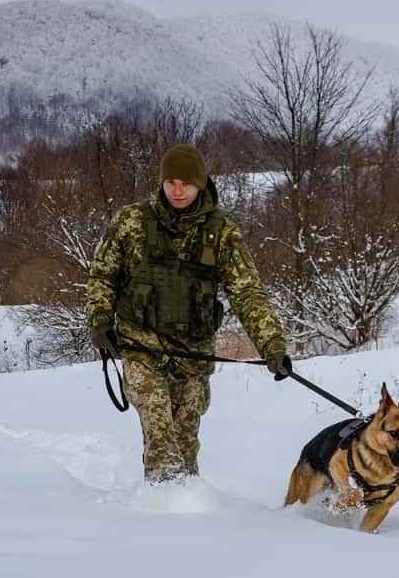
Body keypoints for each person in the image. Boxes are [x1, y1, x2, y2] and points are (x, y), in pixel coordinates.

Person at [86, 144, 291, 483]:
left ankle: (188, 514)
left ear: (200, 184)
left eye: (186, 183)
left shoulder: (222, 232)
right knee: (159, 432)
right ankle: (165, 506)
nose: (177, 191)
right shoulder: (131, 220)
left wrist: (273, 346)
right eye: (171, 182)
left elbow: (247, 292)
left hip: (192, 353)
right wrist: (99, 321)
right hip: (142, 346)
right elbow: (102, 274)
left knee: (185, 442)